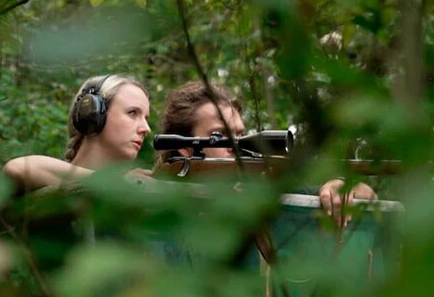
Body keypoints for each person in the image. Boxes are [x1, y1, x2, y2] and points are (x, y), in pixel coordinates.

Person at [156, 80, 377, 224]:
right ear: (185, 147)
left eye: (240, 134)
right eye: (219, 135)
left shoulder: (261, 193)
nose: (236, 145)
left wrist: (341, 187)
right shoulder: (157, 202)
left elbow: (365, 193)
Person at [2, 74, 153, 192]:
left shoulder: (131, 188)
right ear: (92, 113)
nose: (146, 128)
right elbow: (18, 168)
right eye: (132, 113)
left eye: (145, 118)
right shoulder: (43, 176)